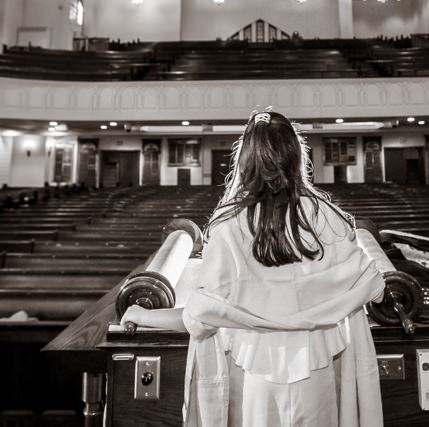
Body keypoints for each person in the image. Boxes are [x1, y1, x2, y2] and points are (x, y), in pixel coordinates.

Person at [121, 109, 387, 426]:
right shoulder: (326, 217)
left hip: (261, 376)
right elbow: (375, 286)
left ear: (245, 160)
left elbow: (200, 316)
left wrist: (142, 314)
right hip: (318, 371)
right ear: (296, 156)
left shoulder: (230, 223)